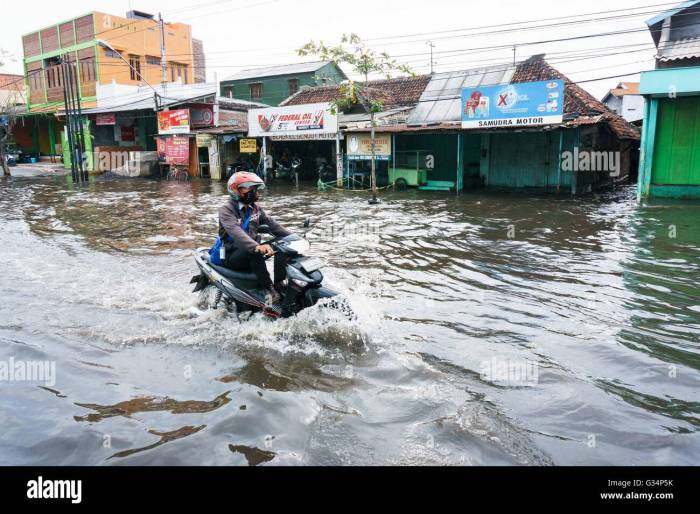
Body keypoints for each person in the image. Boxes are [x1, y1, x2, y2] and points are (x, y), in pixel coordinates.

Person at [215, 172, 292, 305]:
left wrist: (293, 237)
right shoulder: (226, 210)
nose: (254, 191)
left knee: (282, 244)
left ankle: (279, 283)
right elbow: (236, 232)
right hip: (231, 254)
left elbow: (273, 225)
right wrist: (256, 246)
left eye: (255, 188)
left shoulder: (255, 209)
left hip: (250, 250)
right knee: (254, 251)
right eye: (248, 188)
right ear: (236, 190)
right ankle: (269, 290)